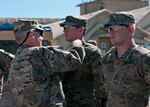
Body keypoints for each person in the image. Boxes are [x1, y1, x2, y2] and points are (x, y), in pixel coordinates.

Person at [8, 19, 85, 107]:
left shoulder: (16, 58)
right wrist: (78, 45)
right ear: (32, 34)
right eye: (41, 33)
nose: (42, 38)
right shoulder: (38, 52)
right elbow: (73, 62)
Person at [101, 12, 150, 107]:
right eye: (109, 29)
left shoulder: (144, 58)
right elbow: (103, 94)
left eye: (115, 28)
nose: (111, 33)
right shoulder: (107, 58)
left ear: (131, 29)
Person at [60, 15, 103, 107]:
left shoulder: (92, 52)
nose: (64, 31)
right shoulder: (66, 52)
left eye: (68, 28)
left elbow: (101, 82)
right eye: (64, 28)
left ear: (81, 30)